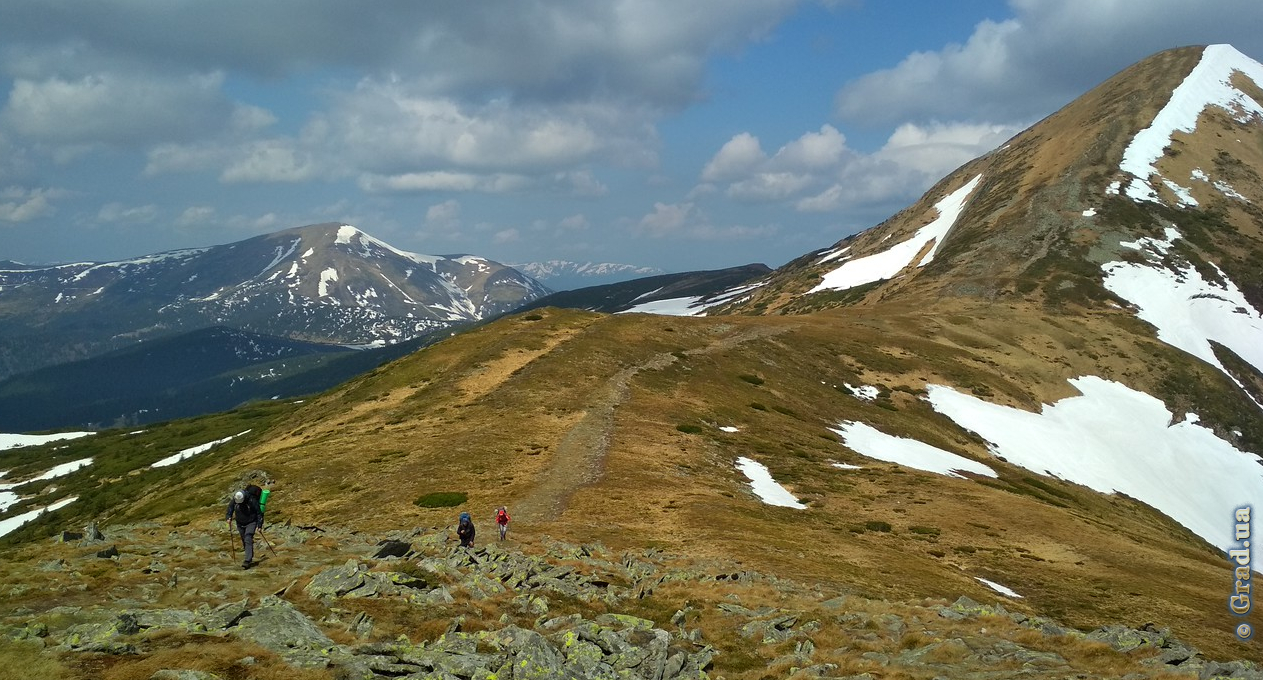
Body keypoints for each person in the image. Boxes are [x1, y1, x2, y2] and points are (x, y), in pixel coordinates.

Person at [226, 486, 262, 569]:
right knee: (244, 540)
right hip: (240, 523)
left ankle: (247, 560)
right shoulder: (235, 499)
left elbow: (259, 513)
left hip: (251, 522)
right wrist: (228, 517)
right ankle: (249, 555)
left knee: (248, 538)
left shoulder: (251, 500)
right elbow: (230, 508)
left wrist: (259, 525)